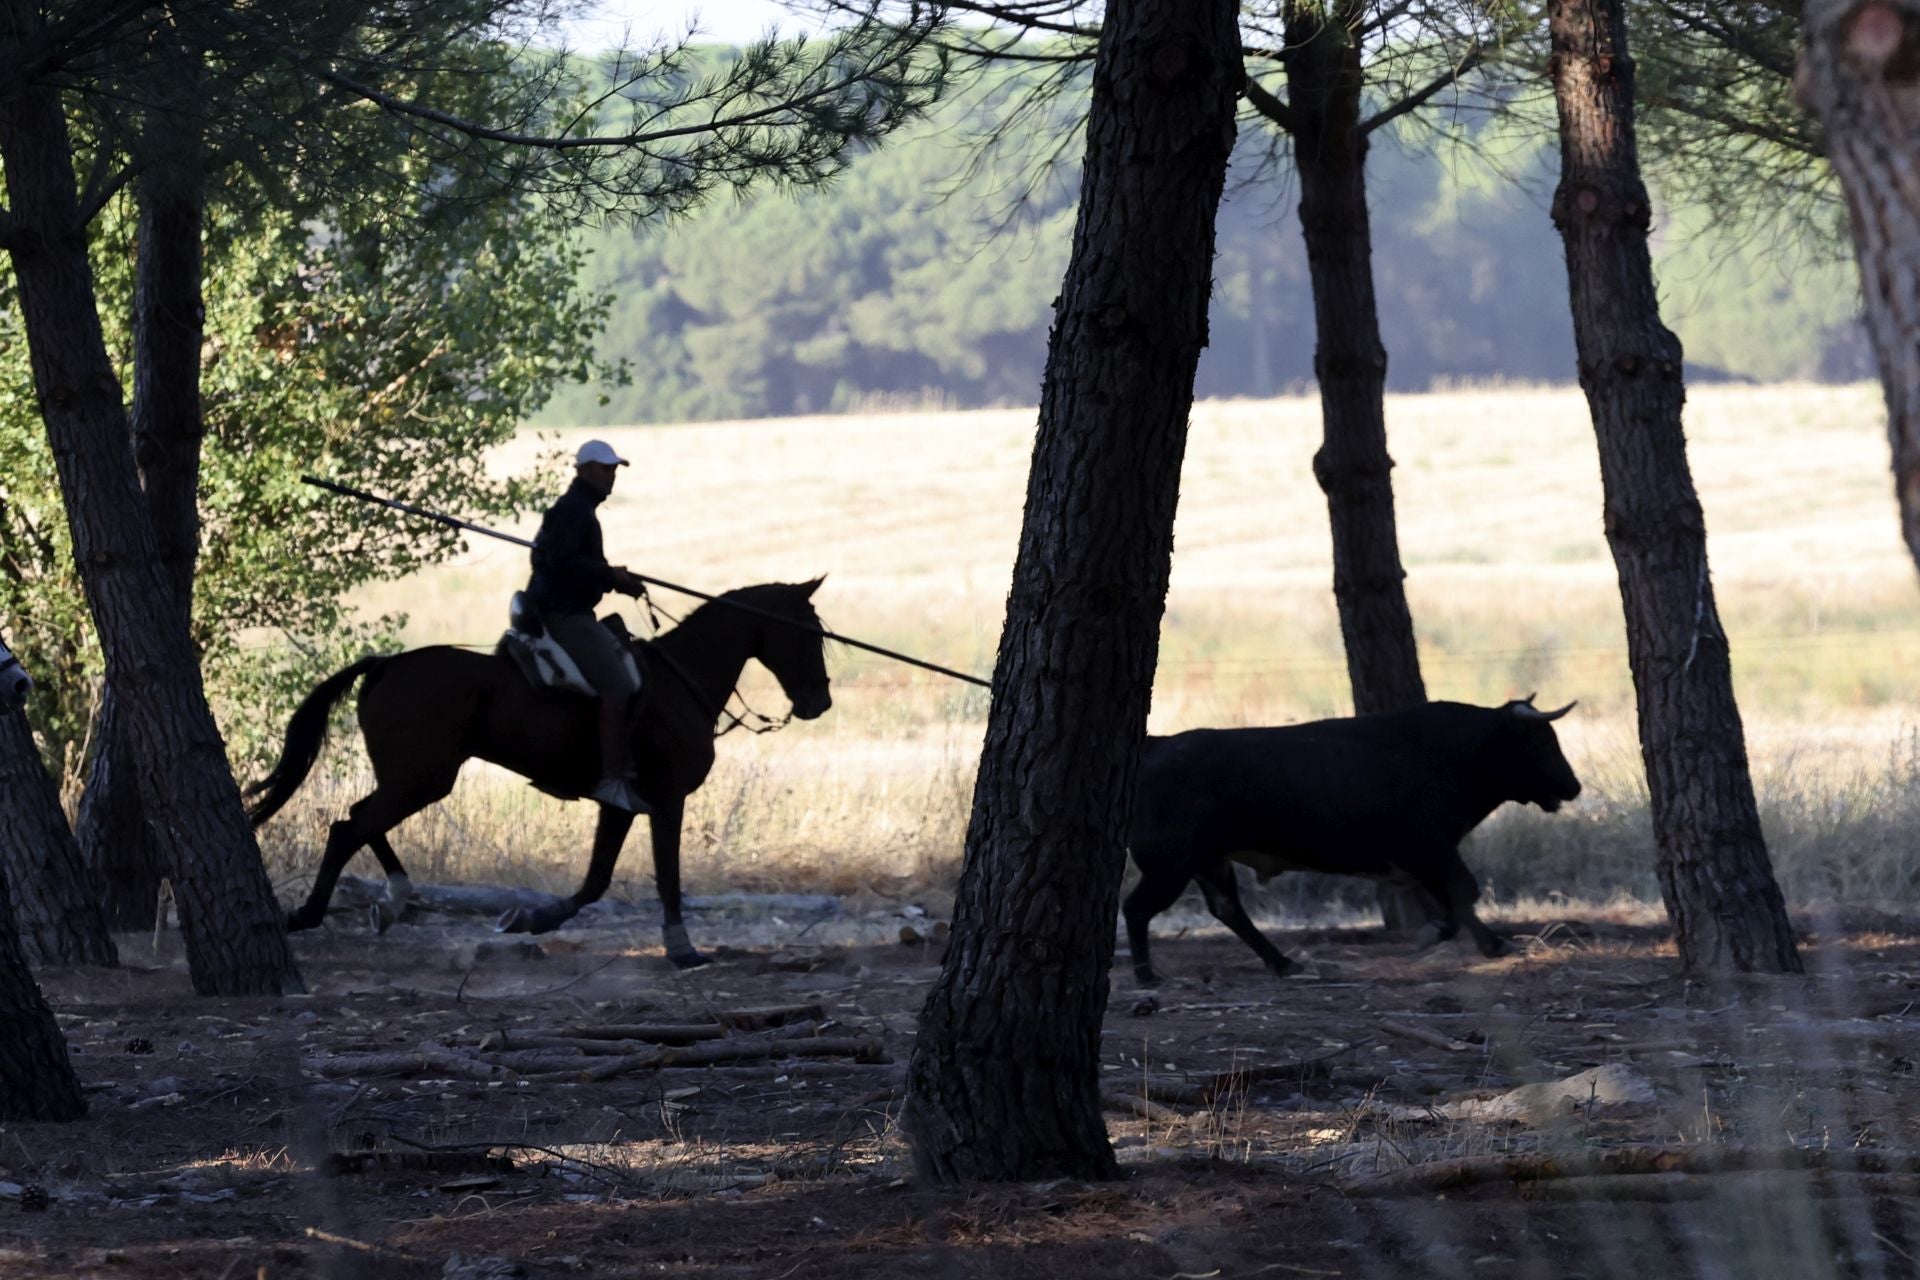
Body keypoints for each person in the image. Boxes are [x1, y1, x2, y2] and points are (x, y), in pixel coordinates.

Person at [525, 439, 649, 814]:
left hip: (571, 611)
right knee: (618, 684)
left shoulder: (579, 509)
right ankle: (611, 780)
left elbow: (568, 562)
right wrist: (610, 575)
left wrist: (613, 578)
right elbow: (561, 564)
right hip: (564, 615)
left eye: (614, 469)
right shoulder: (574, 511)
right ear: (584, 471)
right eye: (605, 469)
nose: (612, 476)